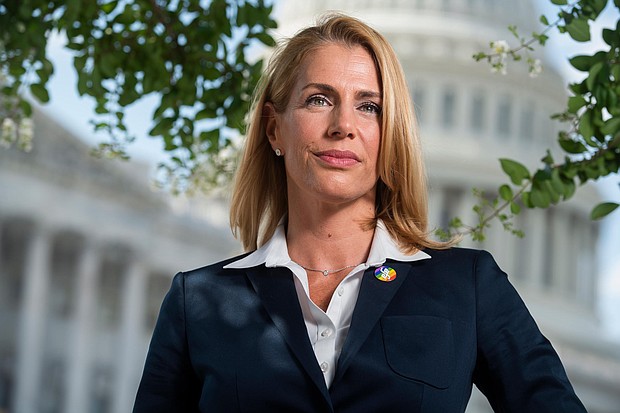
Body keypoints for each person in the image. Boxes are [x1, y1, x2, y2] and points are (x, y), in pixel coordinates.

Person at [133, 13, 587, 413]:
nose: (343, 126)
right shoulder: (200, 301)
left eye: (368, 107)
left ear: (389, 135)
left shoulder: (467, 287)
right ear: (274, 129)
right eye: (319, 100)